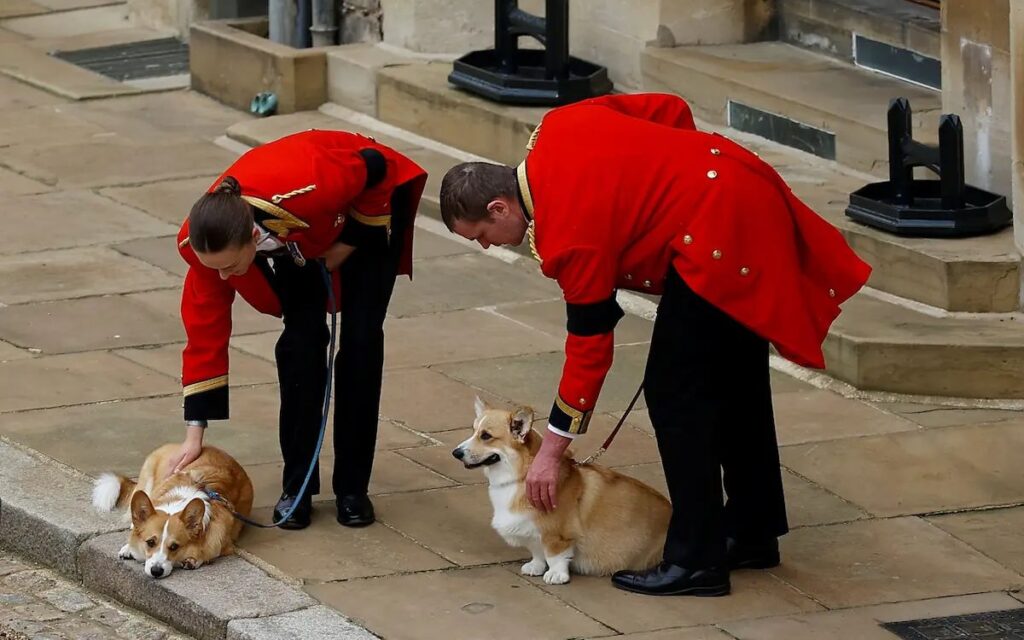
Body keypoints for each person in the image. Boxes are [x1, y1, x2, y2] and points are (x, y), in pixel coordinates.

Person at [438, 93, 871, 596]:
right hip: (737, 186)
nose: (489, 246)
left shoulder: (568, 235)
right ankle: (753, 532)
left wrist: (551, 452)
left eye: (484, 235)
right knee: (735, 381)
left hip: (717, 237)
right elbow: (668, 109)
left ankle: (696, 560)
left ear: (499, 206)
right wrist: (676, 175)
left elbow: (590, 348)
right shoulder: (557, 126)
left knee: (674, 395)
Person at [171, 129, 427, 530]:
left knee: (360, 343)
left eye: (229, 266)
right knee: (300, 346)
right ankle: (298, 488)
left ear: (253, 237)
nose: (221, 276)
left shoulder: (311, 183)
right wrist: (194, 434)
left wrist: (349, 243)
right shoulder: (205, 245)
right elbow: (204, 333)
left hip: (364, 213)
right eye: (214, 267)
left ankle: (352, 489)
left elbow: (377, 168)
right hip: (299, 239)